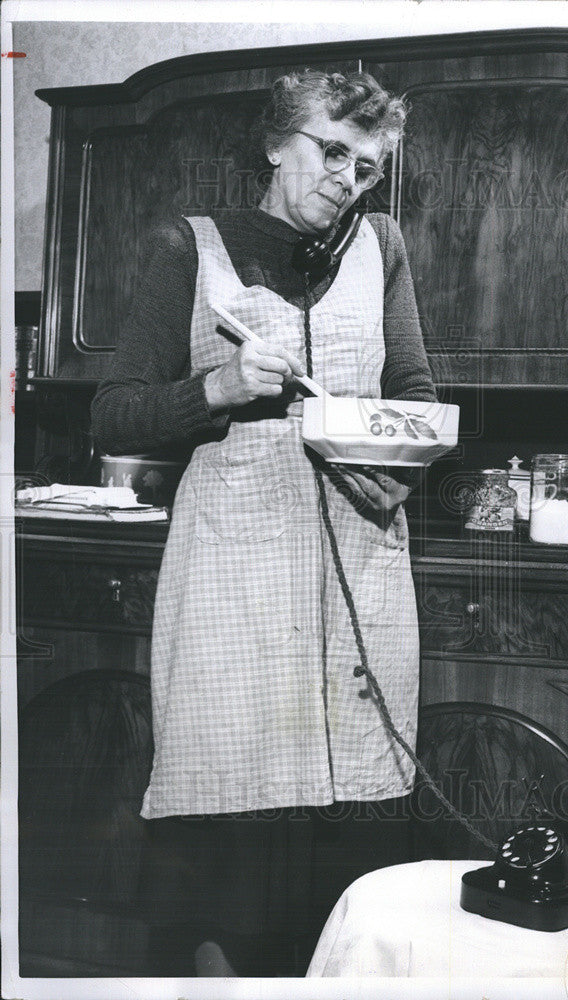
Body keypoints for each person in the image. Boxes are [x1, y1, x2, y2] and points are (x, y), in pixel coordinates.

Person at [91, 69, 437, 976]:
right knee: (229, 823)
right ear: (277, 142)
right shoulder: (189, 246)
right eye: (332, 151)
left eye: (366, 168)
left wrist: (397, 463)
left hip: (360, 566)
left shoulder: (382, 247)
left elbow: (414, 395)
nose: (346, 179)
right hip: (233, 577)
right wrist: (220, 387)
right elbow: (114, 414)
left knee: (346, 819)